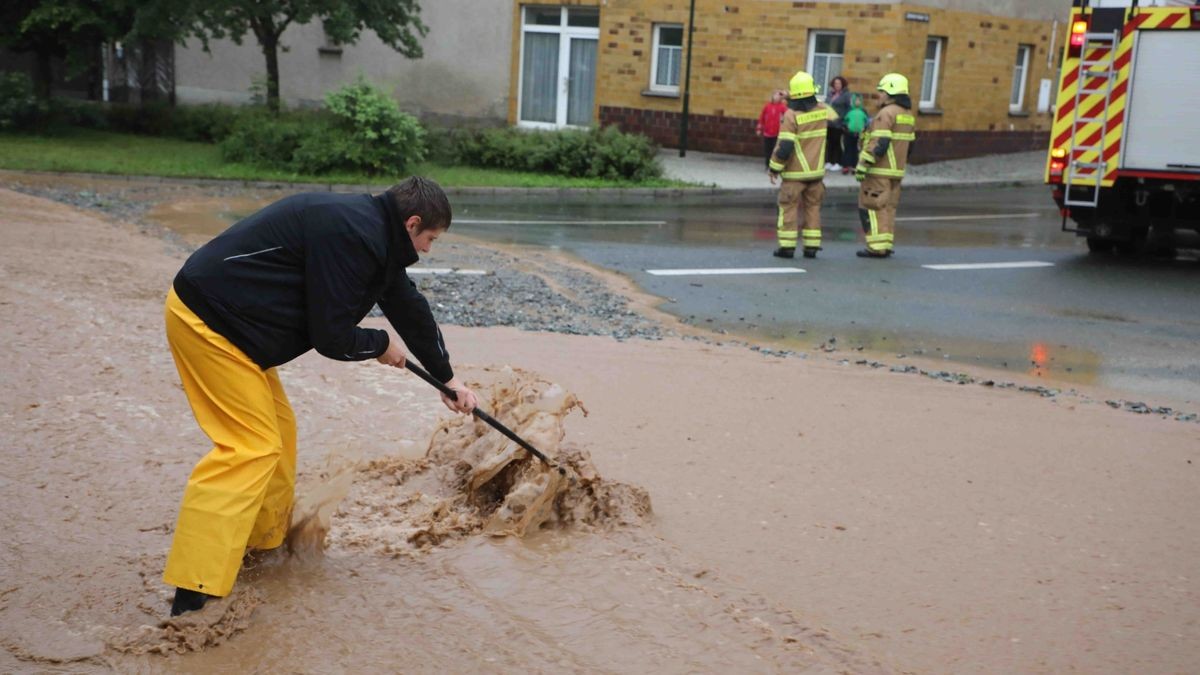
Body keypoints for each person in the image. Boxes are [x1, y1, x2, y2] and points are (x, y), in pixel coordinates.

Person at [162, 176, 479, 616]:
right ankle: (193, 592)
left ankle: (256, 547)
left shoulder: (373, 234)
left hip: (239, 332)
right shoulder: (353, 235)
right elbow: (330, 336)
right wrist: (378, 343)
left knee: (279, 435)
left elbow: (409, 307)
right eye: (431, 239)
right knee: (251, 448)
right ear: (412, 223)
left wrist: (449, 380)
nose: (428, 250)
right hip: (209, 323)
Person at [768, 70, 840, 259]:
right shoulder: (822, 111)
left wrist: (774, 167)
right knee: (813, 208)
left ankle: (787, 247)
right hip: (816, 174)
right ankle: (811, 247)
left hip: (794, 174)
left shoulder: (791, 115)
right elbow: (836, 118)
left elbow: (784, 147)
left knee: (788, 207)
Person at [853, 73, 916, 258]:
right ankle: (886, 244)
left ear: (891, 92)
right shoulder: (907, 115)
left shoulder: (886, 113)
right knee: (888, 208)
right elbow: (911, 144)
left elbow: (879, 142)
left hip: (879, 171)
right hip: (896, 171)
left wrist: (864, 164)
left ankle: (876, 247)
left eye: (882, 91)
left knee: (872, 206)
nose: (879, 95)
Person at [755, 89, 789, 169]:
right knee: (767, 150)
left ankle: (774, 165)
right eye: (776, 95)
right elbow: (762, 118)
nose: (777, 97)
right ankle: (767, 164)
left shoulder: (782, 107)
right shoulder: (767, 106)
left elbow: (788, 115)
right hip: (767, 133)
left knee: (775, 150)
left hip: (777, 133)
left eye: (779, 95)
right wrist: (759, 128)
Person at [824, 76, 851, 172]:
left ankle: (837, 162)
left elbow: (849, 108)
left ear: (842, 84)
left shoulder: (846, 95)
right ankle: (829, 161)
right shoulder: (830, 94)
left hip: (839, 123)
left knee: (837, 143)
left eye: (839, 83)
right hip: (829, 122)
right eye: (835, 83)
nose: (837, 85)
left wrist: (845, 121)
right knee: (829, 143)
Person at [841, 93, 869, 175]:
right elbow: (844, 121)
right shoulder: (849, 111)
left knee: (856, 150)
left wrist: (865, 129)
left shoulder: (863, 111)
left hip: (859, 134)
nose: (857, 102)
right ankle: (846, 166)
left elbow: (867, 122)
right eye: (856, 101)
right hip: (849, 133)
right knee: (847, 150)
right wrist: (845, 128)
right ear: (853, 101)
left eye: (859, 101)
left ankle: (854, 166)